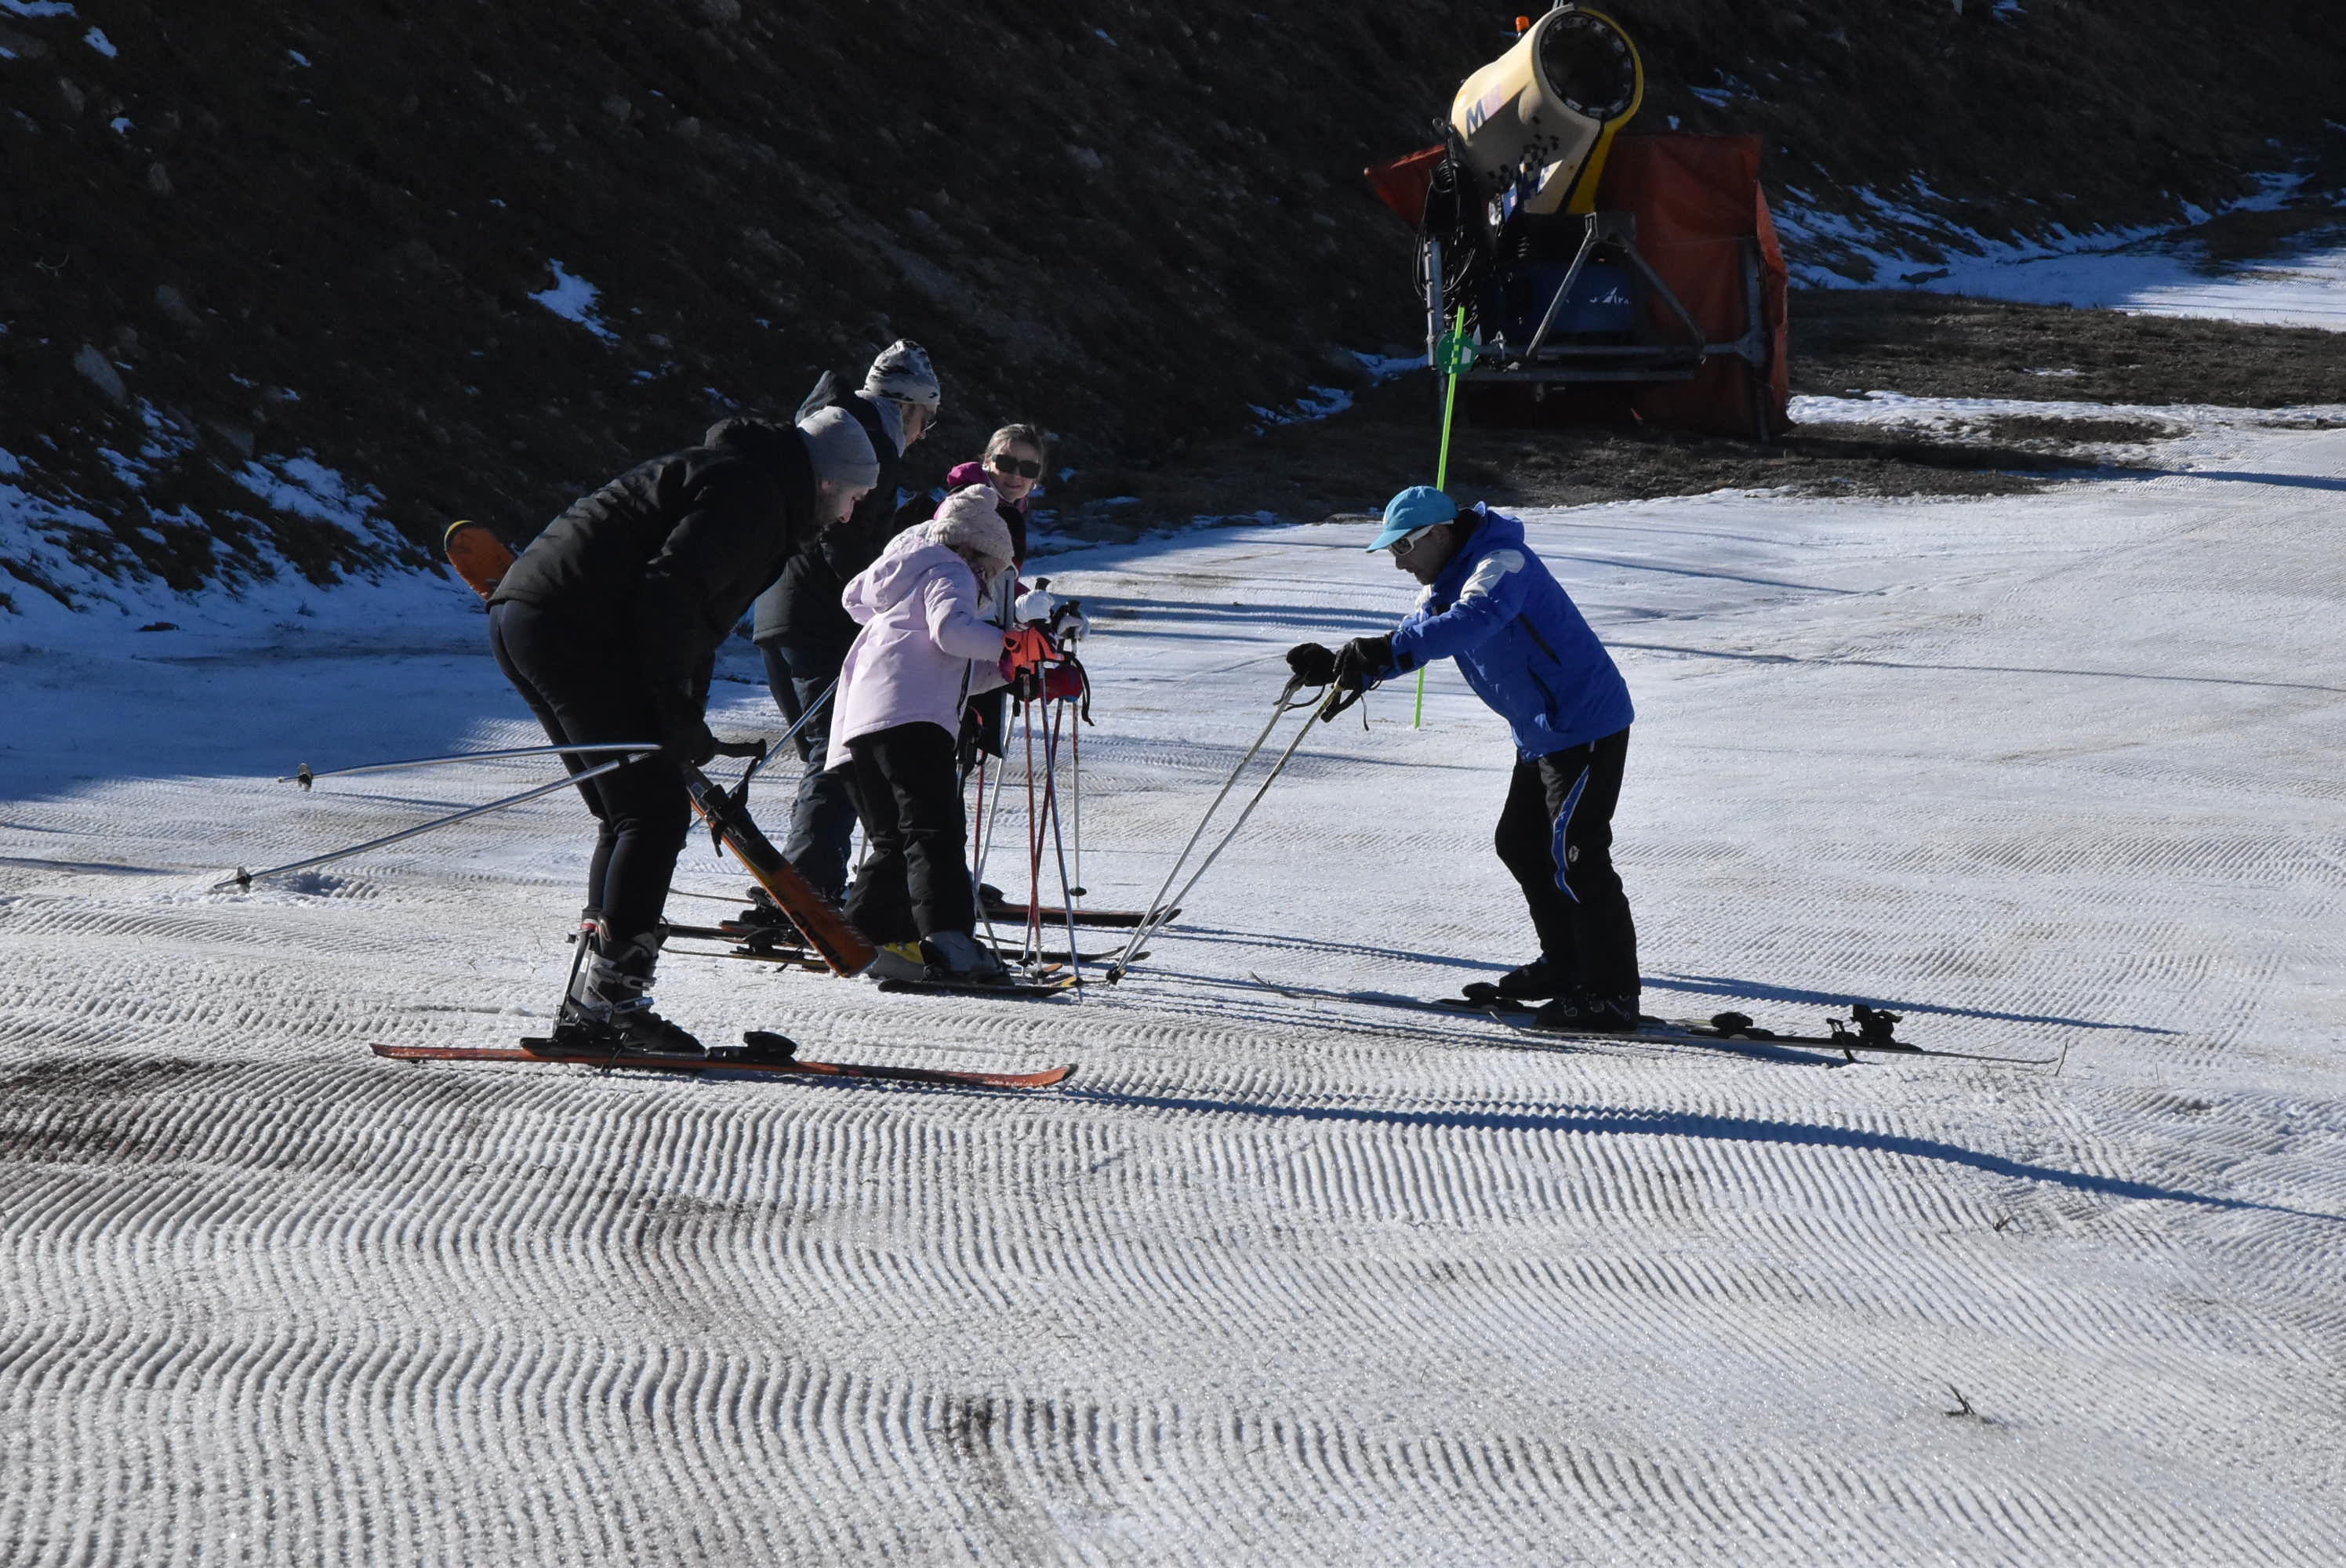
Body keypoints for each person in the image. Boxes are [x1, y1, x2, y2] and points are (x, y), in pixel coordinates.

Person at [488, 407, 880, 1052]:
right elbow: (670, 592)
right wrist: (671, 706)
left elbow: (690, 618)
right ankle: (610, 1006)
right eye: (852, 499)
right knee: (651, 814)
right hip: (572, 626)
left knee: (628, 814)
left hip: (534, 614)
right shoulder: (752, 496)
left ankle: (595, 1004)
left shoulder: (742, 478)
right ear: (828, 481)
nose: (846, 517)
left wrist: (683, 715)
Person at [1287, 485, 1641, 1031]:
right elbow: (1413, 636)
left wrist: (1386, 652)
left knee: (1578, 857)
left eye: (1403, 548)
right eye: (1391, 552)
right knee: (1521, 844)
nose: (1398, 563)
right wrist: (1343, 665)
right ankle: (1567, 965)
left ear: (1441, 533)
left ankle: (1611, 994)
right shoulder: (1445, 581)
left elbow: (1476, 618)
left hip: (1584, 723)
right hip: (1542, 731)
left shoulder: (1502, 561)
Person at [747, 341, 942, 902]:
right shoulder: (869, 442)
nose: (924, 433)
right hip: (819, 616)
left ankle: (806, 881)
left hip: (778, 609)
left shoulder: (827, 426)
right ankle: (805, 886)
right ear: (908, 407)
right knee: (840, 749)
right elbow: (848, 550)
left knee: (824, 751)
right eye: (927, 419)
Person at [826, 485, 1019, 980]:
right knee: (937, 830)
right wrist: (1012, 643)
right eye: (992, 573)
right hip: (912, 720)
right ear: (977, 551)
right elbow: (952, 633)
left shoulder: (900, 591)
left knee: (894, 838)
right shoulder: (949, 567)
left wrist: (1013, 668)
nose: (986, 585)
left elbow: (951, 664)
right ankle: (950, 941)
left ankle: (861, 939)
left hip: (863, 725)